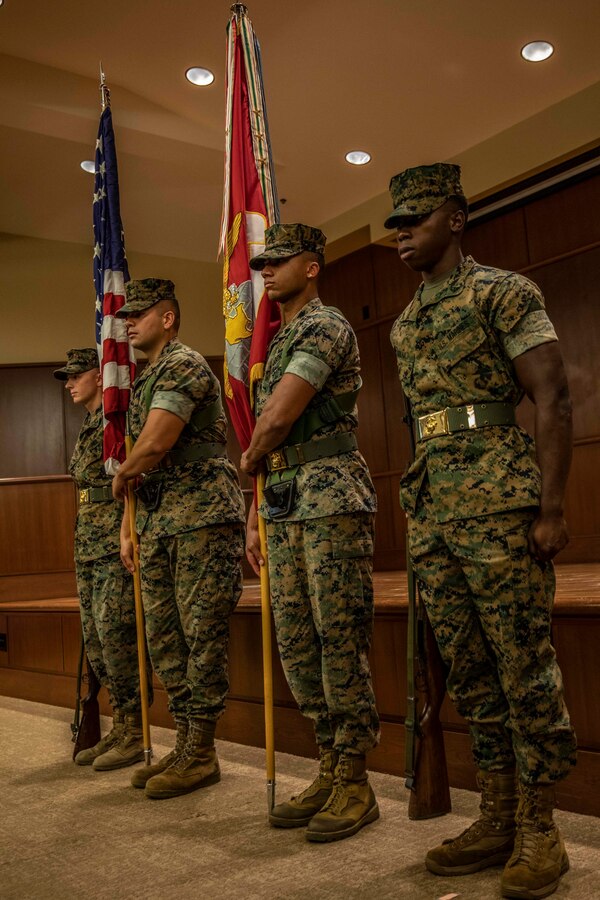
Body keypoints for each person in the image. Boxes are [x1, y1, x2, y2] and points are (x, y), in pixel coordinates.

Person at [385, 163, 577, 898]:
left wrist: (552, 507)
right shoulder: (406, 322)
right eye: (395, 224)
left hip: (500, 500)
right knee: (469, 668)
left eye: (416, 219)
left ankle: (540, 825)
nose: (402, 234)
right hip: (435, 508)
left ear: (456, 219)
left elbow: (551, 397)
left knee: (521, 662)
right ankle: (496, 811)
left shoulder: (504, 291)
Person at [242, 224, 380, 843]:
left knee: (337, 637)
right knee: (298, 643)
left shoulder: (325, 326)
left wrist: (247, 459)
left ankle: (355, 777)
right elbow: (271, 439)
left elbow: (279, 416)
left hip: (328, 497)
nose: (266, 271)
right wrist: (254, 511)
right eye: (262, 263)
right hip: (283, 501)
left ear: (313, 266)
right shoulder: (276, 343)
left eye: (279, 261)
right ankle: (329, 763)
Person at [112, 278, 245, 800]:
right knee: (167, 639)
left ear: (168, 318)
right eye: (126, 316)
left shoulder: (183, 364)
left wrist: (122, 473)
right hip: (158, 519)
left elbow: (157, 441)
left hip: (201, 518)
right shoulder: (145, 380)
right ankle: (186, 738)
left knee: (200, 636)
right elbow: (140, 462)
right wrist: (128, 527)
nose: (129, 323)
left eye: (139, 314)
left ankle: (203, 750)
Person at [54, 348, 150, 770]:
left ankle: (136, 728)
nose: (70, 384)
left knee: (117, 633)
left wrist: (126, 529)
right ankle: (121, 724)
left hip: (113, 538)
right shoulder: (90, 426)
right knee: (96, 639)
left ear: (100, 375)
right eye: (67, 378)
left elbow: (133, 478)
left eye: (76, 376)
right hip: (88, 543)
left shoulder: (119, 422)